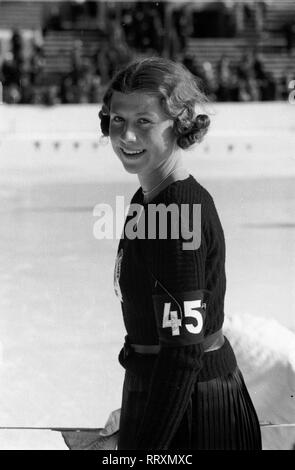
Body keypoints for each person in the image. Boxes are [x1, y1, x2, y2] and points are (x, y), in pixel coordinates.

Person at [98, 57, 262, 450]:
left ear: (179, 123)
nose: (127, 137)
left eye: (144, 122)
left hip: (195, 416)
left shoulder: (179, 213)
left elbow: (183, 355)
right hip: (171, 399)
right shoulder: (149, 198)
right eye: (118, 120)